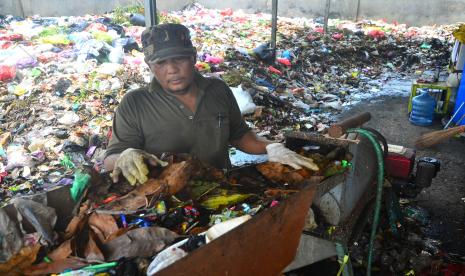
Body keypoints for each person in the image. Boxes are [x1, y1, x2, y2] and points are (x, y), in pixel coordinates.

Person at [104, 23, 318, 185]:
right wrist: (124, 156)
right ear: (149, 65)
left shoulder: (218, 90)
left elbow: (240, 135)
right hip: (164, 200)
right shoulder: (135, 104)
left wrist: (270, 147)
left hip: (220, 188)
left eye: (179, 59)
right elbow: (110, 159)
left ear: (193, 57)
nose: (172, 69)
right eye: (161, 63)